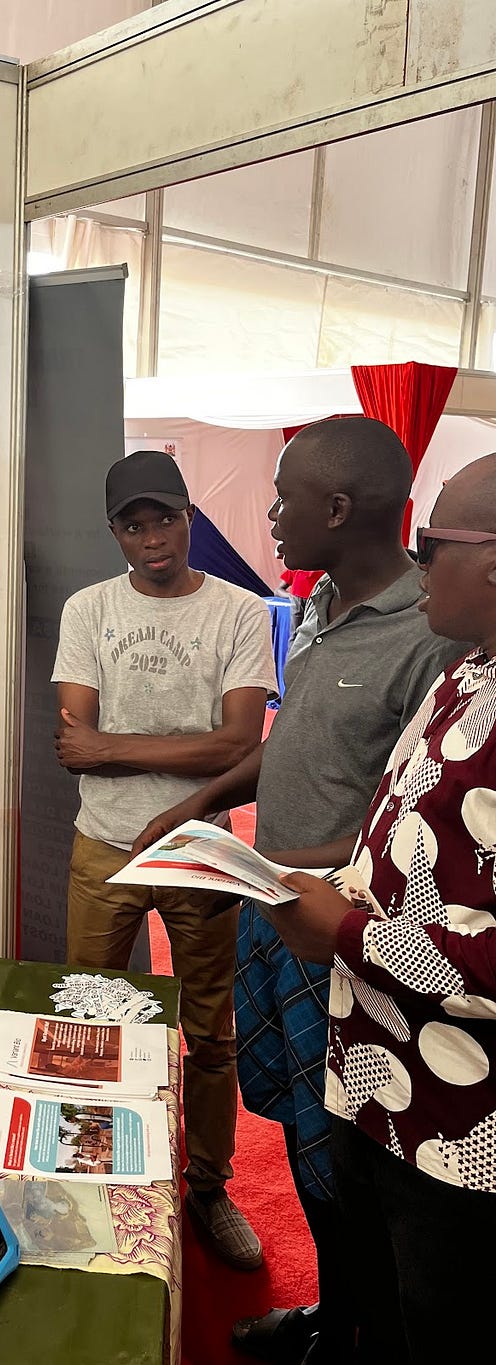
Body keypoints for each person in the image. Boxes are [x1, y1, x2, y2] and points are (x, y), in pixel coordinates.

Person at [133, 418, 464, 1364]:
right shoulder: (317, 604)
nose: (269, 517)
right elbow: (297, 749)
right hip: (276, 908)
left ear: (337, 508)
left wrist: (283, 872)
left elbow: (406, 824)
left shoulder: (430, 637)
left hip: (348, 938)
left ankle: (361, 1333)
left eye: (282, 500)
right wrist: (207, 806)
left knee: (347, 1158)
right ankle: (335, 1312)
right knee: (300, 1133)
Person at [262, 453, 496, 1365]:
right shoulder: (466, 672)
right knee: (382, 1309)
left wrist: (347, 929)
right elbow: (404, 842)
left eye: (434, 542)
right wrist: (328, 893)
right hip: (374, 1074)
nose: (417, 556)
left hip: (463, 1125)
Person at [52, 449, 277, 1270]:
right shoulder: (89, 609)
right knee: (91, 1020)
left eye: (165, 519)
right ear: (115, 531)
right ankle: (93, 1173)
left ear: (190, 518)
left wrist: (114, 744)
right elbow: (74, 748)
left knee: (208, 1032)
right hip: (102, 843)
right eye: (133, 524)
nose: (151, 538)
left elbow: (239, 742)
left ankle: (209, 1186)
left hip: (200, 850)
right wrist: (178, 751)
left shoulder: (240, 612)